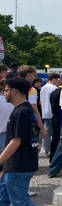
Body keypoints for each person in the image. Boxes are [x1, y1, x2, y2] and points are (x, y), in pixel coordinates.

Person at [0, 77, 38, 206]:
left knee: (20, 202)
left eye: (6, 90)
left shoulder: (21, 112)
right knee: (3, 198)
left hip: (19, 165)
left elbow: (16, 141)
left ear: (14, 92)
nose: (4, 93)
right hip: (14, 165)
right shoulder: (24, 110)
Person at [39, 72, 61, 157]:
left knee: (47, 131)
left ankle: (46, 149)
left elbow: (41, 101)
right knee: (55, 133)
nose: (59, 80)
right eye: (57, 79)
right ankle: (52, 149)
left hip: (45, 111)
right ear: (54, 79)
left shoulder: (43, 88)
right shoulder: (54, 88)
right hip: (53, 112)